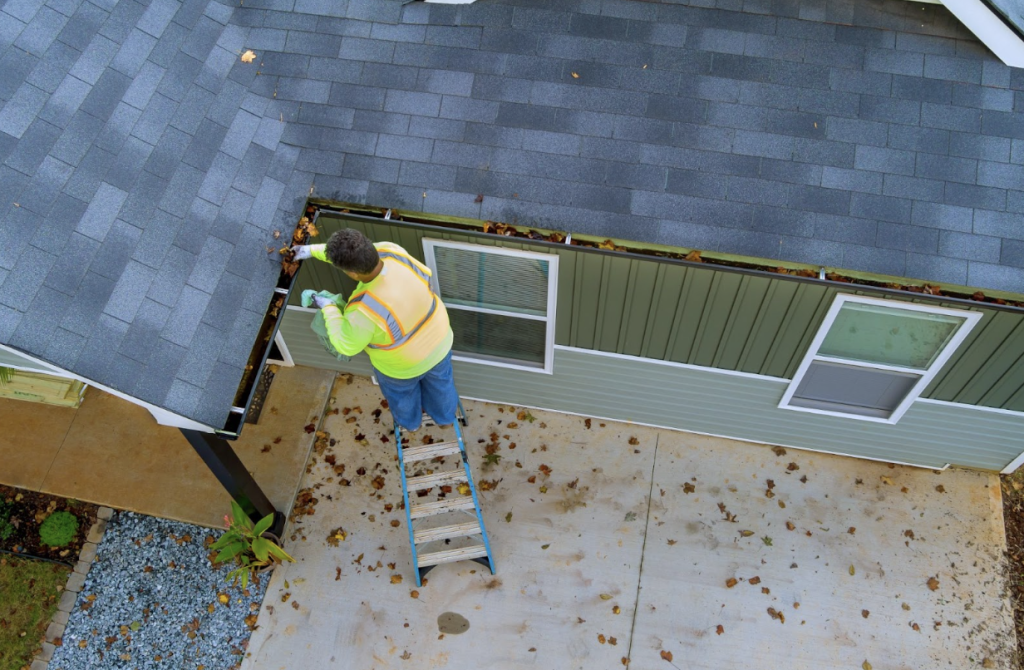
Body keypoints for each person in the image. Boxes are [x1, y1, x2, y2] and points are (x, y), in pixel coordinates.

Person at [290, 230, 457, 432]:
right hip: (440, 341)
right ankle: (446, 419)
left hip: (402, 367)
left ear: (352, 274)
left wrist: (329, 307)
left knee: (402, 396)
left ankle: (411, 425)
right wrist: (309, 251)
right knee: (442, 386)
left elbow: (346, 345)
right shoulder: (391, 250)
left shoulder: (364, 310)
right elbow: (349, 255)